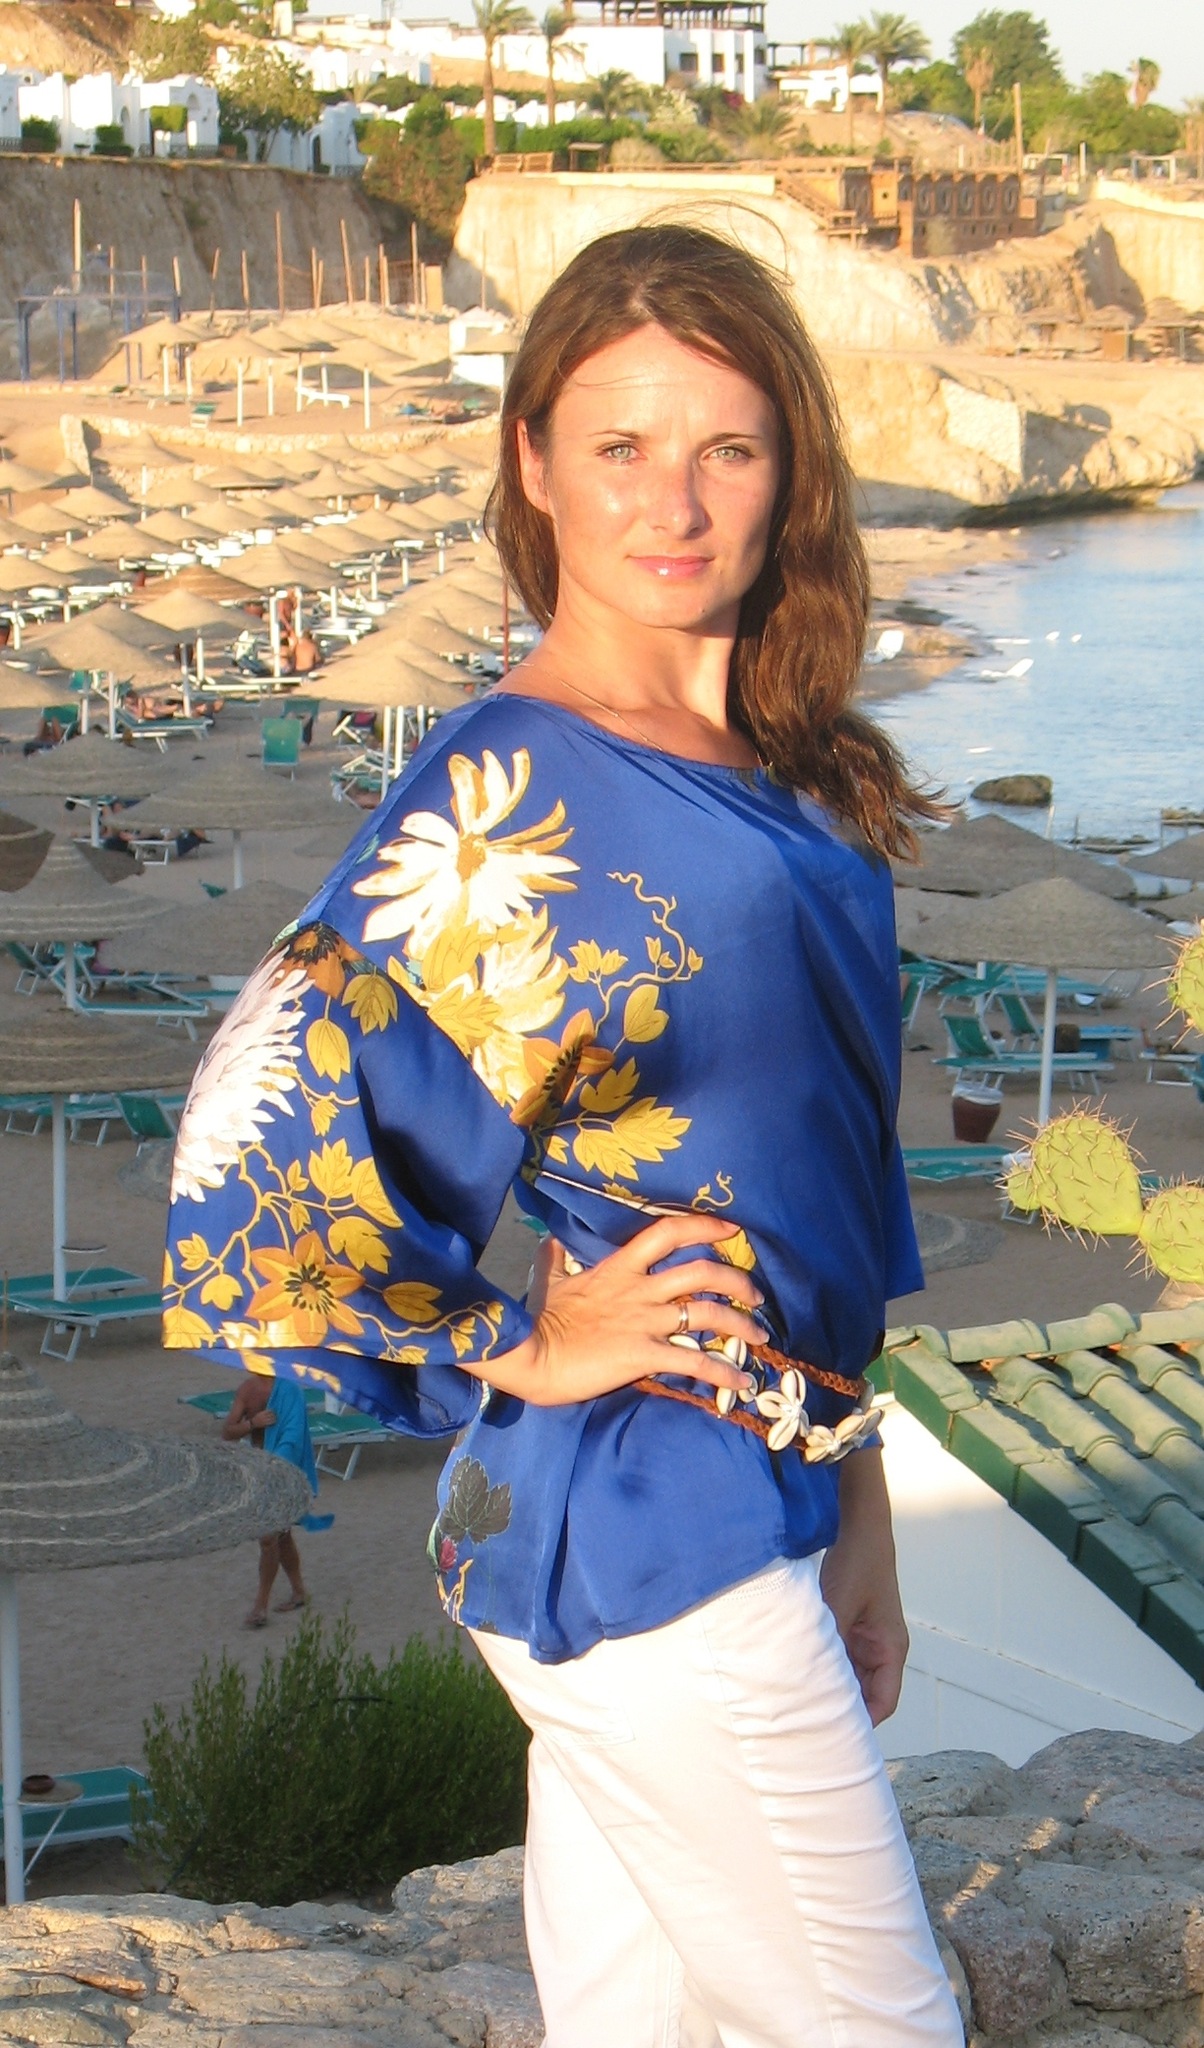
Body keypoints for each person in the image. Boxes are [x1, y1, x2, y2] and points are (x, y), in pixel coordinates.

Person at [164, 224, 959, 2045]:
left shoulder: (783, 762)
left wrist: (861, 1513)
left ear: (788, 471)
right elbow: (249, 1141)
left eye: (725, 447)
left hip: (721, 1502)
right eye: (619, 445)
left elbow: (818, 1170)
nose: (670, 502)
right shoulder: (509, 791)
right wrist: (519, 1337)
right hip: (655, 1530)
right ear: (532, 462)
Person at [221, 1373, 317, 1628]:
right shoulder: (247, 1390)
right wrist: (252, 1424)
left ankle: (260, 1607)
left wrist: (280, 1465)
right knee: (281, 1535)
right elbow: (228, 1432)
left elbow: (295, 1434)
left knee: (268, 1538)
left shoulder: (290, 1390)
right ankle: (299, 1591)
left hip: (284, 1472)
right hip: (261, 1472)